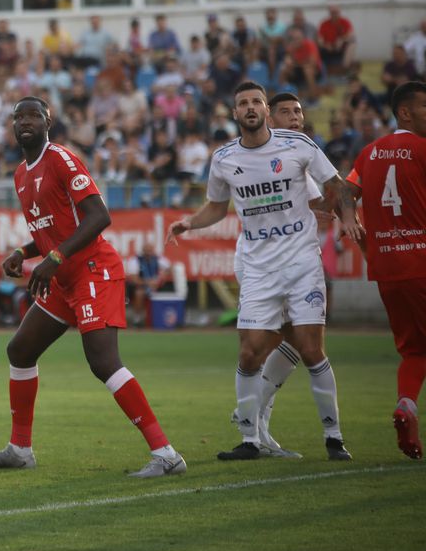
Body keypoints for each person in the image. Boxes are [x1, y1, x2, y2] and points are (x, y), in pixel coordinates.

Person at [0, 97, 185, 478]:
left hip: (92, 269)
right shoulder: (21, 173)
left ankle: (166, 453)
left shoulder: (62, 159)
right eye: (18, 117)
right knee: (20, 350)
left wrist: (54, 258)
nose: (25, 122)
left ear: (48, 121)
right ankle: (20, 450)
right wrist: (24, 251)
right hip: (63, 276)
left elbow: (98, 216)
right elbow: (53, 230)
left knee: (103, 362)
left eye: (33, 115)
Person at [168, 81, 355, 461]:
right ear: (234, 113)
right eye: (243, 103)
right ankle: (250, 439)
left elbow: (335, 185)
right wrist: (189, 222)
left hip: (301, 262)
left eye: (257, 102)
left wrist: (346, 215)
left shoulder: (297, 146)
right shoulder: (223, 158)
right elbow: (217, 207)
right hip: (257, 266)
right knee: (250, 352)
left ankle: (333, 437)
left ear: (266, 110)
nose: (250, 107)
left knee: (310, 348)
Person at [341, 81, 426, 459]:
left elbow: (345, 192)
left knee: (414, 351)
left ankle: (406, 404)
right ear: (405, 112)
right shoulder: (423, 150)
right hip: (422, 262)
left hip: (387, 269)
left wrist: (350, 221)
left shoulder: (368, 154)